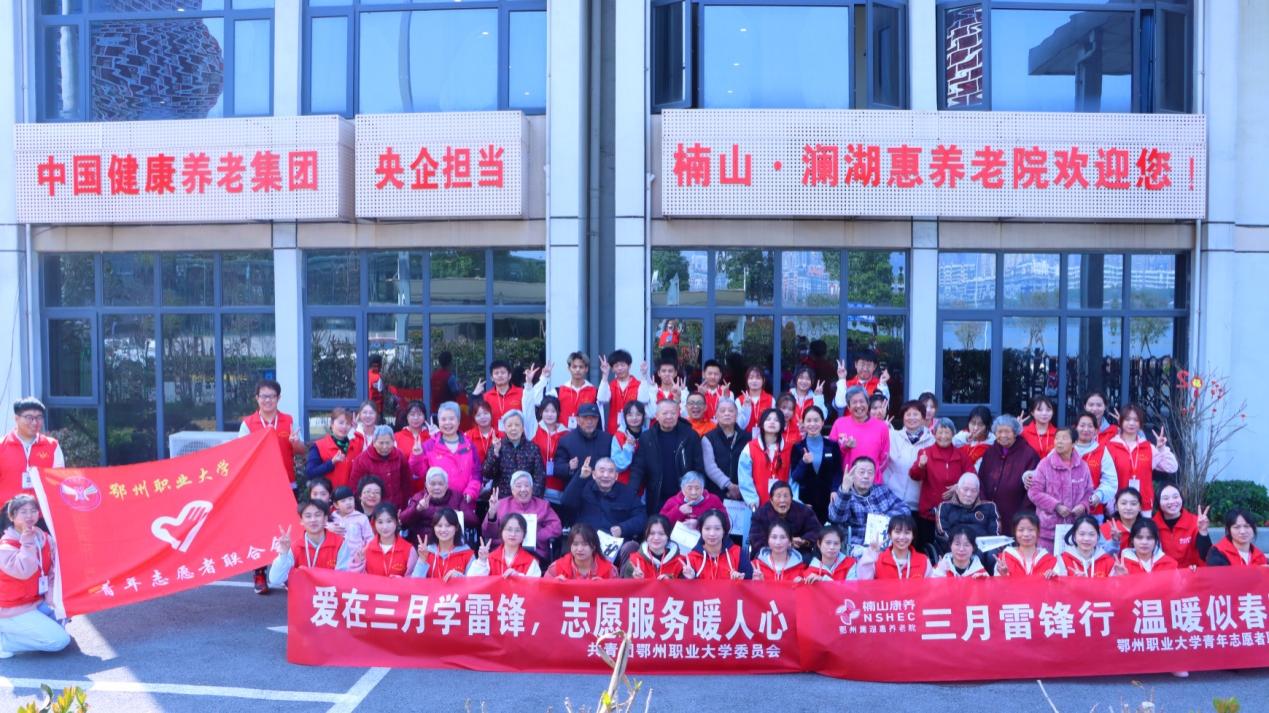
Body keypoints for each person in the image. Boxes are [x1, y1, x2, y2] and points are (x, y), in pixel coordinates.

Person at [0, 495, 71, 659]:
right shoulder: (5, 548)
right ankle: (4, 642)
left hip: (35, 602)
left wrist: (53, 598)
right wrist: (27, 541)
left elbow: (52, 572)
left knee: (65, 612)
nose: (29, 515)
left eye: (33, 511)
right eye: (23, 512)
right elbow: (25, 571)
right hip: (11, 608)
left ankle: (15, 631)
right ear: (12, 517)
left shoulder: (45, 538)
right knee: (59, 641)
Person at [630, 398, 706, 516]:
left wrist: (697, 491)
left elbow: (698, 466)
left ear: (678, 414)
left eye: (673, 413)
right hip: (656, 496)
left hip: (685, 497)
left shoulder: (690, 435)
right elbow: (639, 467)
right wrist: (631, 491)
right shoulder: (647, 438)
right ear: (657, 416)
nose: (669, 416)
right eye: (665, 413)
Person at [1027, 427, 1094, 551]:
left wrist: (1083, 505)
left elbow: (1089, 491)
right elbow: (1034, 492)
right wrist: (1056, 506)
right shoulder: (1045, 464)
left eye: (1064, 438)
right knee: (1048, 562)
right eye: (1057, 438)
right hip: (1048, 531)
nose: (1059, 441)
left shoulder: (1082, 466)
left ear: (1074, 443)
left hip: (1075, 530)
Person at [827, 456, 910, 556]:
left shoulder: (882, 490)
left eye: (870, 473)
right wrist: (845, 490)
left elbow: (905, 508)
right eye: (861, 472)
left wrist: (885, 517)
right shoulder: (845, 495)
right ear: (852, 475)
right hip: (859, 546)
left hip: (887, 542)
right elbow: (836, 517)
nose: (866, 476)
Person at [267, 499, 357, 588]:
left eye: (317, 515)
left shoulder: (340, 543)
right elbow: (275, 579)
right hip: (303, 595)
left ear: (325, 519)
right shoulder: (295, 546)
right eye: (308, 516)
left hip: (331, 594)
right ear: (301, 521)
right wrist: (283, 555)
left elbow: (342, 577)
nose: (313, 520)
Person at [908, 417, 969, 549]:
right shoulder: (925, 452)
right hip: (929, 512)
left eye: (947, 432)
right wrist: (920, 465)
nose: (943, 436)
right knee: (927, 548)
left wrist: (960, 486)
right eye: (940, 432)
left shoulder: (961, 455)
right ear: (934, 434)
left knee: (951, 546)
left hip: (955, 511)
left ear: (953, 434)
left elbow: (972, 476)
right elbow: (914, 475)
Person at [1104, 404, 1177, 515]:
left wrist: (1162, 449)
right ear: (1121, 421)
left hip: (1144, 505)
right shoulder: (1110, 447)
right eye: (1127, 419)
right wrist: (1110, 503)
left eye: (1136, 420)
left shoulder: (1148, 447)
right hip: (1119, 505)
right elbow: (1105, 478)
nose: (1131, 423)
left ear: (1140, 423)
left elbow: (1172, 467)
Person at [409, 402, 482, 505]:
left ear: (458, 421)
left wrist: (470, 493)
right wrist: (416, 456)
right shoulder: (429, 446)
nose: (447, 423)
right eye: (443, 419)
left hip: (464, 503)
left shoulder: (469, 445)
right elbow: (419, 472)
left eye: (451, 419)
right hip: (437, 504)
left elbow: (477, 474)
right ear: (439, 422)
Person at [482, 471, 563, 562]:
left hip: (533, 554)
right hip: (504, 552)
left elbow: (556, 527)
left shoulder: (543, 506)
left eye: (526, 485)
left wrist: (534, 536)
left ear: (532, 488)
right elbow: (488, 533)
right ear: (512, 490)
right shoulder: (501, 504)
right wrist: (492, 513)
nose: (523, 489)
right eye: (518, 486)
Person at [977, 414, 1040, 530]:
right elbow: (981, 479)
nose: (1003, 435)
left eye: (1007, 432)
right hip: (989, 514)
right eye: (999, 432)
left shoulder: (1028, 454)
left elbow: (1033, 488)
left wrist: (1022, 515)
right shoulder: (990, 452)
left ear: (1015, 433)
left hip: (1016, 515)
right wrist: (984, 504)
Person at [0, 399, 65, 507]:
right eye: (29, 417)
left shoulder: (52, 446)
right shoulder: (2, 446)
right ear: (16, 418)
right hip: (7, 513)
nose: (35, 422)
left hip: (41, 512)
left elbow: (58, 482)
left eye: (39, 417)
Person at [562, 457, 646, 540]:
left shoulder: (627, 493)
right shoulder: (583, 488)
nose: (606, 475)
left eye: (610, 471)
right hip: (587, 541)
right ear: (594, 474)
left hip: (615, 542)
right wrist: (580, 478)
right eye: (602, 471)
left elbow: (641, 518)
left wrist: (623, 528)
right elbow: (566, 502)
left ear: (616, 476)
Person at [238, 380, 304, 482]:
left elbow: (302, 451)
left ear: (278, 398)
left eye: (272, 396)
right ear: (257, 398)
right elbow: (241, 453)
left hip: (286, 481)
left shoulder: (289, 421)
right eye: (264, 396)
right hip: (257, 481)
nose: (268, 400)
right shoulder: (247, 424)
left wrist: (296, 443)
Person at [790, 406, 841, 522]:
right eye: (808, 420)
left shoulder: (832, 445)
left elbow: (838, 472)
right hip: (806, 501)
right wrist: (803, 462)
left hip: (829, 499)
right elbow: (795, 477)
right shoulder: (798, 447)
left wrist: (835, 490)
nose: (812, 424)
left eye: (816, 420)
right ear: (803, 423)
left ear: (822, 422)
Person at [828, 386, 890, 482]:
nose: (858, 405)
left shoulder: (881, 427)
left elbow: (884, 459)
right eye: (854, 402)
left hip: (873, 482)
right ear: (848, 406)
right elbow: (830, 454)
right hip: (847, 482)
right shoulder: (839, 424)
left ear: (868, 403)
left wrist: (872, 476)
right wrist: (845, 448)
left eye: (861, 401)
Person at [886, 400, 936, 515]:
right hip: (893, 500)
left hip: (919, 503)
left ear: (923, 417)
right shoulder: (892, 436)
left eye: (915, 414)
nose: (911, 418)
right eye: (908, 414)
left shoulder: (932, 441)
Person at [747, 480, 819, 560]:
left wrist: (804, 541)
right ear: (771, 500)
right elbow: (756, 539)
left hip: (797, 552)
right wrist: (782, 543)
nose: (782, 500)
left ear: (791, 498)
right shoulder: (760, 514)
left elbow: (816, 531)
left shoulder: (804, 511)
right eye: (778, 496)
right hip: (769, 551)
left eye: (786, 496)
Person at [482, 410, 547, 497]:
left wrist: (530, 498)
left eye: (517, 425)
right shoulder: (497, 446)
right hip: (502, 499)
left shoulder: (533, 448)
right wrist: (495, 453)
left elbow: (540, 477)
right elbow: (487, 473)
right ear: (504, 428)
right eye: (509, 425)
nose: (513, 428)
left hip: (526, 499)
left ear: (523, 428)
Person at [738, 408, 794, 508]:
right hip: (758, 505)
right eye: (768, 419)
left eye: (776, 420)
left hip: (784, 505)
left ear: (782, 425)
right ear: (762, 423)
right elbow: (744, 478)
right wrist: (752, 500)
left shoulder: (789, 449)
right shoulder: (750, 447)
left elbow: (792, 479)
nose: (772, 422)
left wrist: (791, 501)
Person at [554, 403, 613, 496]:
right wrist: (569, 467)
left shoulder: (607, 439)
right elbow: (557, 469)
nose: (589, 421)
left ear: (598, 419)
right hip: (576, 493)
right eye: (585, 418)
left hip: (601, 493)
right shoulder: (566, 440)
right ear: (577, 420)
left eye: (593, 418)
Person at [350, 425, 413, 510]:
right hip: (373, 508)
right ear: (374, 442)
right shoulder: (362, 460)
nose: (385, 447)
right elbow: (355, 487)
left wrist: (405, 504)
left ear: (393, 442)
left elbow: (406, 482)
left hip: (396, 506)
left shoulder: (399, 455)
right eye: (381, 443)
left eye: (388, 443)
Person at [934, 472, 1000, 553]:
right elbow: (943, 533)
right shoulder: (945, 507)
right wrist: (964, 546)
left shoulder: (989, 507)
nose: (969, 494)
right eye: (965, 489)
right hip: (957, 548)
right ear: (957, 490)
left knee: (993, 554)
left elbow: (995, 534)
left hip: (983, 548)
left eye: (973, 491)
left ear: (978, 492)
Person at [401, 468, 476, 538]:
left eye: (440, 484)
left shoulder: (457, 497)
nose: (436, 487)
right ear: (426, 485)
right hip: (425, 542)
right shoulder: (418, 498)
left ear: (447, 485)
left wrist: (455, 514)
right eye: (433, 484)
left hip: (451, 541)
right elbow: (402, 522)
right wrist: (417, 509)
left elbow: (473, 521)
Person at [855, 515, 932, 580]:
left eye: (907, 533)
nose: (902, 537)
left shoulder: (924, 561)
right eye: (897, 532)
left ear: (913, 536)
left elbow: (931, 588)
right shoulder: (877, 560)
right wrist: (871, 553)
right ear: (889, 535)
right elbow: (863, 582)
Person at [1152, 484, 1211, 568]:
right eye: (1166, 498)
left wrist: (1203, 532)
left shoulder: (1195, 522)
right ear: (1158, 502)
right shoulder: (1152, 525)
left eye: (1175, 497)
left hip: (1192, 572)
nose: (1172, 502)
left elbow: (1206, 556)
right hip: (1164, 573)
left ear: (1181, 499)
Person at [701, 398, 749, 500]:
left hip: (744, 492)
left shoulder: (748, 438)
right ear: (716, 415)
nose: (727, 414)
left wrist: (741, 487)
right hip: (716, 493)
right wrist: (729, 485)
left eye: (731, 411)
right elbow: (710, 467)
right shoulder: (708, 438)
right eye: (722, 411)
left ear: (737, 414)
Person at [683, 509, 752, 580]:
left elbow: (749, 579)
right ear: (701, 530)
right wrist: (690, 580)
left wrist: (742, 579)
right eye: (707, 528)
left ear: (724, 531)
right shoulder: (692, 557)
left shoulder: (737, 553)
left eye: (717, 529)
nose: (712, 533)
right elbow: (684, 585)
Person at [1073, 411, 1118, 517]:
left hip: (1093, 511)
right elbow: (1046, 472)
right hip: (1066, 510)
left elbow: (1110, 481)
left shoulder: (1102, 451)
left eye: (1090, 426)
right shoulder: (1064, 448)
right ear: (1075, 428)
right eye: (1082, 425)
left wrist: (1098, 495)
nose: (1086, 429)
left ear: (1096, 431)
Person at [468, 514, 541, 578]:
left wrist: (518, 577)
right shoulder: (490, 559)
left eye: (518, 530)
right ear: (501, 531)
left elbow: (534, 586)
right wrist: (481, 561)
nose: (513, 534)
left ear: (524, 535)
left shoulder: (531, 562)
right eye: (509, 529)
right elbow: (473, 582)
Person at [536, 352, 598, 429]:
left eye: (581, 367)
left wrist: (605, 376)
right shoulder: (558, 391)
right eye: (574, 367)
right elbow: (538, 401)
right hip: (563, 434)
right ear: (569, 369)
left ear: (586, 369)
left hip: (586, 434)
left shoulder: (594, 391)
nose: (577, 370)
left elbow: (605, 400)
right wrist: (544, 378)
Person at [305, 408, 360, 492]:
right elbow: (310, 473)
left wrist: (355, 431)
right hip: (327, 495)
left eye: (348, 423)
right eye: (341, 423)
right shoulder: (319, 445)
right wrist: (331, 463)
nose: (344, 426)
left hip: (349, 497)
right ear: (332, 423)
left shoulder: (355, 445)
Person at [355, 504, 417, 578]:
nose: (385, 527)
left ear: (396, 521)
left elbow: (415, 579)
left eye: (389, 521)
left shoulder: (409, 550)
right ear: (374, 524)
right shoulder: (366, 549)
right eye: (380, 522)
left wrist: (402, 581)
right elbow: (358, 579)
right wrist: (359, 563)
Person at [413, 508, 475, 580]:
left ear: (456, 527)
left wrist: (459, 577)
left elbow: (474, 583)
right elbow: (415, 583)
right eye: (439, 526)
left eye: (448, 525)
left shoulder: (467, 554)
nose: (443, 530)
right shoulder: (427, 552)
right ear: (434, 528)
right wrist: (422, 560)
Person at [526, 396, 569, 495]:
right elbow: (527, 407)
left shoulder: (566, 433)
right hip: (537, 485)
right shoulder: (534, 429)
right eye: (546, 411)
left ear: (558, 413)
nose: (549, 414)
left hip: (559, 485)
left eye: (553, 411)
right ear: (541, 412)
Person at [994, 513, 1057, 578]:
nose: (1026, 534)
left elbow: (1058, 583)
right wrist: (1003, 575)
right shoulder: (1004, 559)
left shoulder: (1050, 561)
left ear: (1038, 532)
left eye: (1031, 530)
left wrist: (1054, 577)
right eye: (1021, 530)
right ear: (1014, 532)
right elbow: (996, 583)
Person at [659, 471, 726, 531]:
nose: (693, 492)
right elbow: (660, 525)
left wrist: (700, 523)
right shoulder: (672, 501)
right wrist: (679, 511)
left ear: (702, 488)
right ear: (682, 489)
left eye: (697, 488)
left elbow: (726, 523)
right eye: (689, 488)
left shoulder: (713, 500)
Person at [546, 524, 617, 580]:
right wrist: (554, 585)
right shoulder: (556, 568)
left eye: (585, 544)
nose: (579, 549)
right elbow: (543, 591)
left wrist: (605, 588)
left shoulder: (610, 570)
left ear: (594, 546)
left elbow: (618, 592)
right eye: (575, 544)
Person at [597, 349, 642, 435]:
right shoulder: (610, 385)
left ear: (629, 366)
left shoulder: (638, 385)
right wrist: (605, 375)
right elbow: (602, 399)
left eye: (622, 365)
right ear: (612, 369)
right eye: (616, 366)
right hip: (614, 429)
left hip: (634, 428)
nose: (620, 368)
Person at [472, 360, 525, 428]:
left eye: (503, 372)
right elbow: (474, 415)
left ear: (509, 376)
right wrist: (474, 395)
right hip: (493, 434)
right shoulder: (486, 397)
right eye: (496, 373)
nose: (500, 375)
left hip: (516, 433)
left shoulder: (522, 393)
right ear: (492, 378)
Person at [610, 400, 647, 486]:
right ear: (625, 417)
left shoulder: (648, 435)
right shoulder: (618, 436)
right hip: (623, 485)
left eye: (638, 414)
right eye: (630, 415)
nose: (634, 418)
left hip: (645, 485)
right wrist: (628, 447)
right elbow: (616, 466)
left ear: (643, 416)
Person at [327, 485, 373, 551]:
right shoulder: (331, 518)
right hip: (336, 555)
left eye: (350, 499)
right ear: (336, 505)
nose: (348, 503)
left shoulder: (362, 518)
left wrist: (364, 551)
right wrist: (327, 527)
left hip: (357, 556)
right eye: (343, 501)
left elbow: (370, 538)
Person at [1100, 487, 1144, 554]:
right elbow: (1100, 555)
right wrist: (1114, 541)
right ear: (1116, 507)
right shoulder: (1105, 529)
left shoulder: (1146, 529)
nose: (1128, 508)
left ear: (1140, 507)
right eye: (1123, 503)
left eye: (1133, 504)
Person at [735, 366, 774, 439]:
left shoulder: (770, 399)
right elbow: (738, 425)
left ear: (763, 380)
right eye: (751, 378)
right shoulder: (739, 400)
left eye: (758, 378)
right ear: (747, 380)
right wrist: (745, 407)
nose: (754, 381)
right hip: (744, 438)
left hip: (765, 438)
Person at [953, 405, 994, 471]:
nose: (975, 428)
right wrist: (966, 438)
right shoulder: (963, 435)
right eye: (973, 423)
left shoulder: (992, 443)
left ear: (987, 426)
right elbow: (949, 444)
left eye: (980, 424)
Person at [394, 401, 431, 466]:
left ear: (424, 416)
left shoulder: (431, 436)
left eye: (419, 414)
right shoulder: (396, 437)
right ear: (407, 417)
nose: (416, 418)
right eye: (412, 414)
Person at [464, 399, 500, 465]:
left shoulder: (501, 434)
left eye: (486, 413)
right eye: (478, 415)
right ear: (474, 418)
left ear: (491, 413)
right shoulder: (468, 436)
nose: (483, 417)